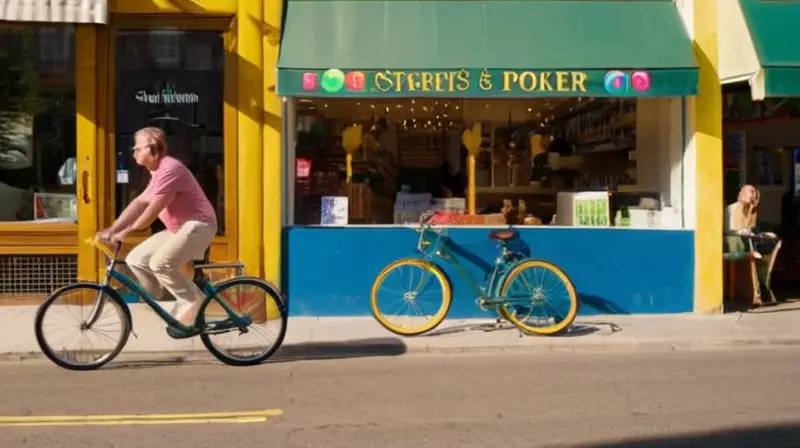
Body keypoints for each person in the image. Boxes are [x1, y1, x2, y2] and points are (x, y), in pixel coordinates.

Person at [99, 127, 217, 336]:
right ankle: (160, 299)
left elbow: (151, 211)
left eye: (138, 148)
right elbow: (139, 203)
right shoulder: (156, 173)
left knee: (160, 263)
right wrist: (113, 228)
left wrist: (126, 231)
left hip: (199, 225)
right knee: (136, 259)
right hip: (178, 229)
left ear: (153, 148)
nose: (134, 151)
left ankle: (193, 300)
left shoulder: (171, 169)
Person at [724, 184, 780, 304]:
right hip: (735, 243)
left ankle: (763, 289)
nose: (754, 197)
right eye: (751, 193)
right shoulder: (732, 208)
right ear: (743, 194)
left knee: (771, 246)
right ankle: (759, 292)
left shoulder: (751, 210)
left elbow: (751, 228)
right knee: (756, 254)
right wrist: (742, 232)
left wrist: (751, 210)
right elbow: (729, 230)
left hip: (748, 240)